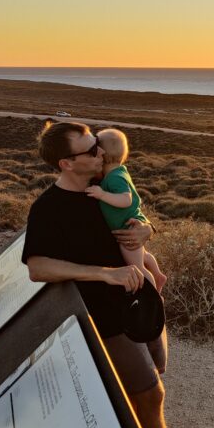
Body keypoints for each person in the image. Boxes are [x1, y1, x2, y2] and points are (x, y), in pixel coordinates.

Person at [21, 120, 211, 428]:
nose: (100, 152)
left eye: (98, 144)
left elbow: (133, 219)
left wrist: (146, 228)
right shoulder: (49, 208)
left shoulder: (105, 187)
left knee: (152, 373)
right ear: (66, 164)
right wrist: (103, 274)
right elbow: (37, 266)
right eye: (90, 150)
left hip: (141, 301)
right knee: (150, 390)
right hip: (103, 315)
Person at [88, 127, 168, 373]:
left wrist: (101, 194)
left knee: (135, 263)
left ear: (102, 155)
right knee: (142, 257)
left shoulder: (113, 178)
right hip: (127, 229)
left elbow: (127, 200)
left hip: (126, 233)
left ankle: (151, 287)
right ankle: (155, 272)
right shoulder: (112, 173)